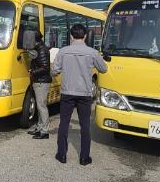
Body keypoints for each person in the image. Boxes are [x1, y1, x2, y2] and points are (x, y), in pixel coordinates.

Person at [51, 24, 108, 165]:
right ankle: (84, 157)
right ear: (86, 36)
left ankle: (62, 155)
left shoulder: (63, 51)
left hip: (67, 92)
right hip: (84, 94)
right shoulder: (92, 52)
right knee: (85, 125)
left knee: (64, 123)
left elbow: (54, 71)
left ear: (71, 36)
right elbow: (104, 69)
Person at [27, 30, 52, 139]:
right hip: (39, 81)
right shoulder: (39, 48)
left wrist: (33, 72)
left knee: (42, 106)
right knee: (39, 106)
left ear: (34, 39)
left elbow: (45, 67)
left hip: (42, 81)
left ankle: (45, 131)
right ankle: (40, 127)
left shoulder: (42, 50)